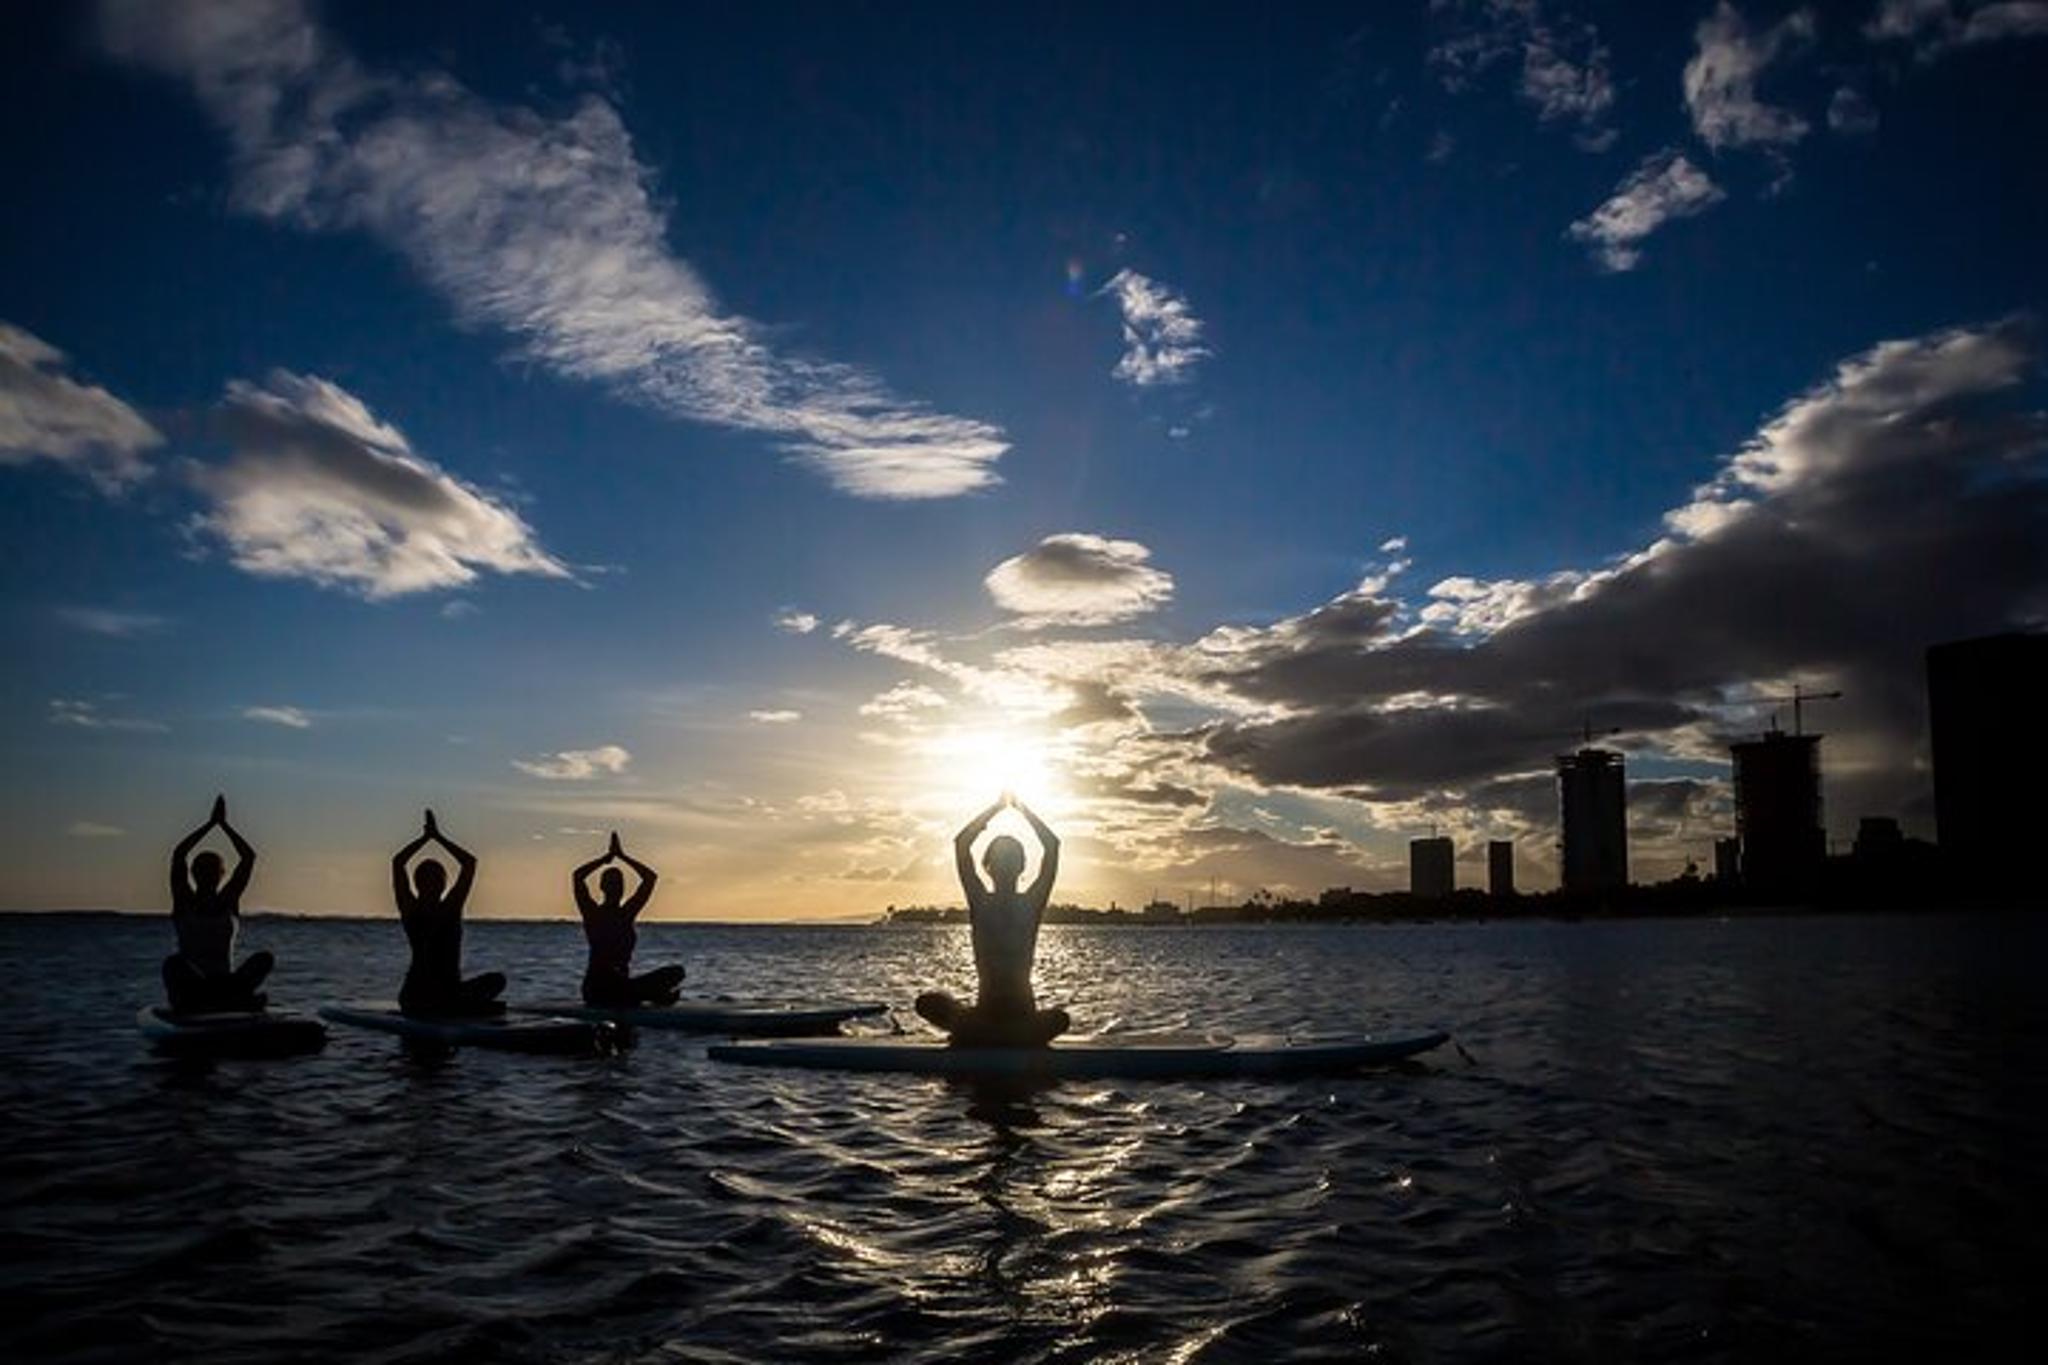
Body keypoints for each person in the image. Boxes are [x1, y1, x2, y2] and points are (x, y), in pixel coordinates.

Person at [916, 793, 1071, 1047]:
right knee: (926, 1003)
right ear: (988, 865)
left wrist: (1022, 809)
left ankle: (986, 1035)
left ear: (1022, 865)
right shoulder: (979, 899)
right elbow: (961, 844)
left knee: (1060, 1019)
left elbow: (1052, 845)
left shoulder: (1031, 903)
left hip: (1021, 1012)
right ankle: (996, 1035)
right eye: (1001, 858)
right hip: (986, 1010)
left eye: (1012, 859)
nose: (1006, 864)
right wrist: (995, 808)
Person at [163, 794, 272, 1013]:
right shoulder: (184, 901)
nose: (207, 874)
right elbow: (179, 854)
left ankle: (228, 999)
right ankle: (220, 1001)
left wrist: (224, 825)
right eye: (202, 869)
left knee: (264, 958)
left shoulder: (228, 901)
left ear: (221, 874)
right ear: (194, 873)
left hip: (225, 983)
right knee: (173, 964)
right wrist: (210, 824)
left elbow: (248, 857)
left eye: (212, 870)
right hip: (194, 986)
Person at [391, 809, 504, 1017]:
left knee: (497, 980)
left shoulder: (417, 908)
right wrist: (434, 837)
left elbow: (399, 862)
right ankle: (462, 1007)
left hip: (420, 996)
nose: (434, 884)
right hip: (433, 995)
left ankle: (461, 1006)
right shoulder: (446, 908)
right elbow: (469, 863)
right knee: (495, 985)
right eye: (432, 879)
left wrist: (430, 838)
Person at [573, 831, 684, 1008]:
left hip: (622, 986)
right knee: (630, 988)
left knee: (677, 972)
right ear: (602, 887)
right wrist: (606, 858)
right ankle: (653, 996)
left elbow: (650, 878)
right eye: (612, 884)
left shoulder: (627, 913)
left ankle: (649, 995)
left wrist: (623, 856)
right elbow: (577, 876)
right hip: (598, 989)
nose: (616, 888)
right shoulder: (592, 913)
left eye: (619, 884)